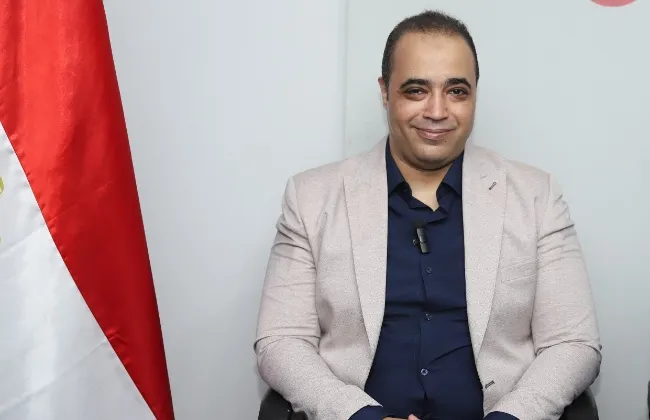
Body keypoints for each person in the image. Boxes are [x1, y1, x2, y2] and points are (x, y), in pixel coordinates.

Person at [254, 9, 601, 420]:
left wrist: (511, 416)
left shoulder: (536, 197)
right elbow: (281, 340)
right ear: (385, 92)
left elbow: (573, 344)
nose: (437, 111)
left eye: (457, 91)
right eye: (416, 90)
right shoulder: (312, 198)